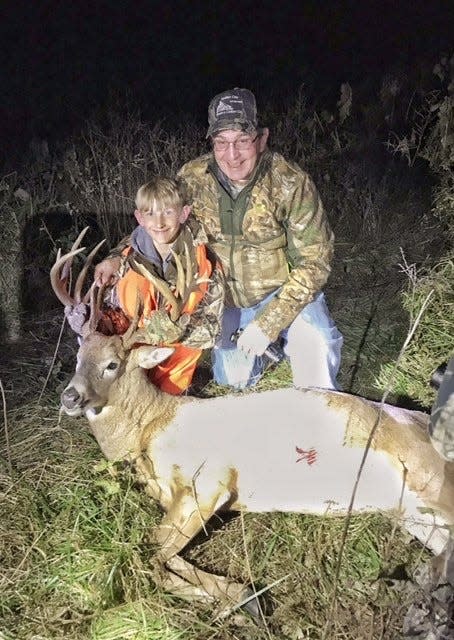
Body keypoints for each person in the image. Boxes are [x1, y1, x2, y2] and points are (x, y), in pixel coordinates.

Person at [96, 88, 342, 390]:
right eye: (221, 142)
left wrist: (268, 324)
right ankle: (264, 353)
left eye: (242, 141)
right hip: (226, 302)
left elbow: (316, 262)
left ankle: (319, 413)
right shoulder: (192, 178)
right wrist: (117, 255)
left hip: (283, 294)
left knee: (317, 356)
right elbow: (160, 224)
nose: (232, 155)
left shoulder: (291, 182)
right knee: (234, 381)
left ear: (262, 139)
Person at [98, 176, 224, 395]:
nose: (159, 223)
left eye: (168, 212)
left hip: (173, 353)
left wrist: (176, 330)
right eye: (150, 213)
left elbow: (210, 329)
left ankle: (168, 395)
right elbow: (113, 315)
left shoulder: (204, 262)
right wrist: (91, 318)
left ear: (184, 213)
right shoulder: (126, 261)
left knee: (186, 354)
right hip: (135, 350)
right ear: (139, 217)